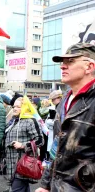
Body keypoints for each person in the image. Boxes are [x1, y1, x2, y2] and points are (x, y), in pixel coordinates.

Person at [35, 43, 95, 192]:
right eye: (62, 62)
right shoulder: (65, 99)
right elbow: (57, 147)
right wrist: (45, 184)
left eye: (71, 61)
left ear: (89, 66)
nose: (62, 66)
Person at [4, 97, 44, 192]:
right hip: (12, 164)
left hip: (22, 164)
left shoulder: (30, 121)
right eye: (14, 106)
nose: (14, 108)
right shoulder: (13, 121)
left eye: (18, 106)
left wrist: (23, 145)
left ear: (25, 107)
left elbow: (40, 140)